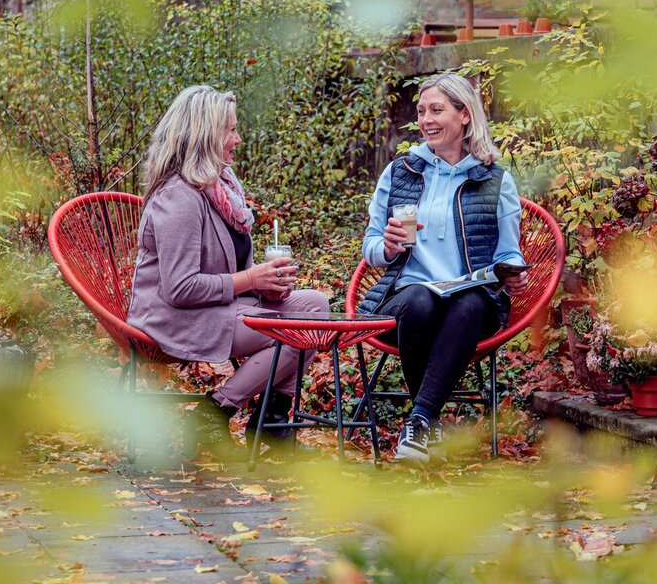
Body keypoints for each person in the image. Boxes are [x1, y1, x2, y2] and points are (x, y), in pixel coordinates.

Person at [127, 85, 330, 454]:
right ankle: (216, 410)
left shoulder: (220, 191)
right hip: (174, 318)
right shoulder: (180, 197)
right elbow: (180, 288)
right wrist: (250, 279)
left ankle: (272, 421)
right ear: (205, 135)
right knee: (290, 332)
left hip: (220, 309)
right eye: (230, 130)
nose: (238, 139)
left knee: (315, 307)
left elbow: (232, 269)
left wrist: (265, 287)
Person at [359, 72, 528, 465]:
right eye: (421, 112)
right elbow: (369, 246)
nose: (426, 120)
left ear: (465, 114)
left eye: (437, 110)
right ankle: (424, 423)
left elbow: (509, 250)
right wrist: (385, 247)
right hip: (407, 296)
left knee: (468, 302)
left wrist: (514, 272)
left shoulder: (493, 181)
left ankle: (420, 423)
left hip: (471, 300)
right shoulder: (401, 173)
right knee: (420, 299)